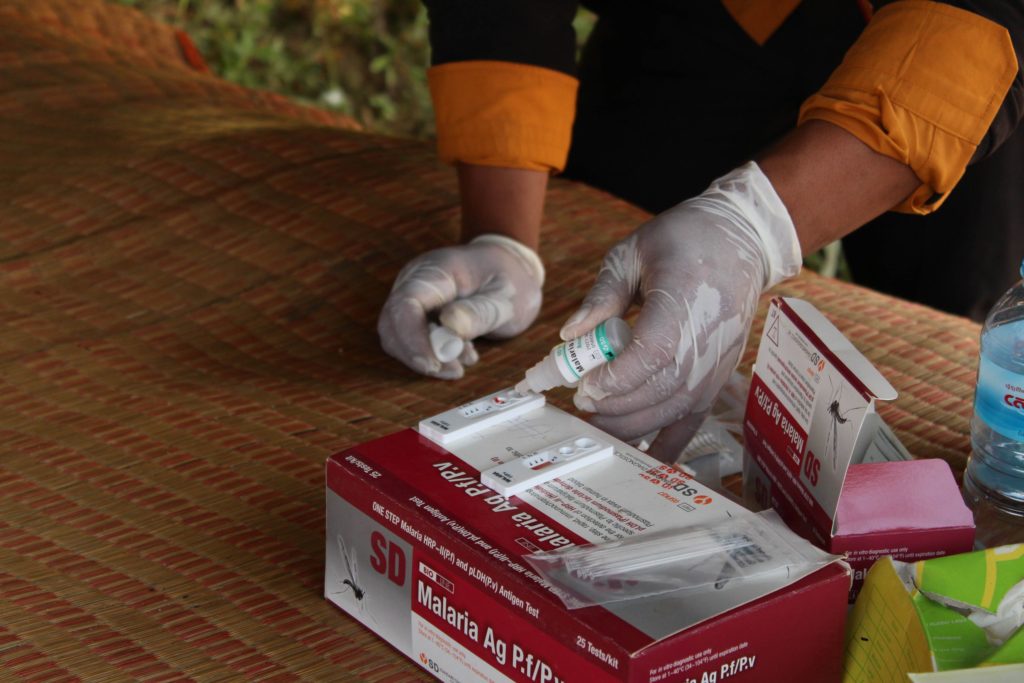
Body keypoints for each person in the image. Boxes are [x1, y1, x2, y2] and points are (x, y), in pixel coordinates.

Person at [378, 0, 1024, 460]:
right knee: (631, 254)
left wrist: (751, 227)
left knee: (956, 328)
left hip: (950, 44)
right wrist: (503, 235)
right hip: (692, 24)